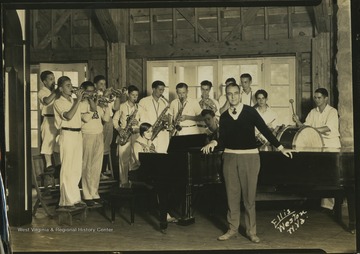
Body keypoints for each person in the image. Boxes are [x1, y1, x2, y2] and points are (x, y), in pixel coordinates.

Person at [201, 83, 293, 243]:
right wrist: (214, 143)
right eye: (229, 94)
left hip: (250, 158)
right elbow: (223, 139)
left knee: (249, 198)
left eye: (236, 93)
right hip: (229, 158)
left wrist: (280, 147)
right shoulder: (223, 116)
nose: (233, 96)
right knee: (232, 196)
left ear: (240, 94)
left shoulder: (251, 112)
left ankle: (252, 231)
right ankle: (232, 229)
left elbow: (265, 130)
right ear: (226, 96)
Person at [292, 87, 341, 211]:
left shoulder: (332, 111)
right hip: (318, 145)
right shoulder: (313, 112)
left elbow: (328, 128)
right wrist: (298, 121)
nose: (317, 100)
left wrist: (311, 130)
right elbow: (305, 127)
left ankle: (330, 206)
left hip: (331, 146)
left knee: (330, 177)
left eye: (319, 98)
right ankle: (317, 203)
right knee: (318, 174)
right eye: (315, 98)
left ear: (326, 98)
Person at [53, 76, 87, 210]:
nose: (71, 87)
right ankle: (66, 201)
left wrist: (85, 100)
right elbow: (68, 116)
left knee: (77, 167)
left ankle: (75, 199)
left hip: (78, 134)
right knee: (67, 168)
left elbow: (83, 116)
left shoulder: (74, 100)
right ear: (60, 89)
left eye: (71, 84)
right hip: (67, 134)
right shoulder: (58, 102)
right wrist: (78, 100)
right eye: (67, 85)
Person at [79, 81, 110, 207]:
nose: (92, 93)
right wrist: (94, 104)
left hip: (99, 135)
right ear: (84, 91)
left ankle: (94, 193)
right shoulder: (81, 104)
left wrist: (106, 105)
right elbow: (86, 119)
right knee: (87, 165)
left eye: (93, 91)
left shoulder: (98, 104)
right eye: (89, 91)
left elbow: (106, 119)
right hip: (87, 135)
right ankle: (86, 194)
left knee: (97, 166)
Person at [93, 75, 121, 180]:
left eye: (104, 84)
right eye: (101, 84)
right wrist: (105, 95)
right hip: (98, 121)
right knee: (98, 147)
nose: (103, 86)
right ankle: (97, 171)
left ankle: (102, 171)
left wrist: (117, 96)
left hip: (108, 121)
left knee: (106, 147)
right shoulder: (94, 95)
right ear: (95, 85)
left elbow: (116, 107)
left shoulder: (109, 95)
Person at [113, 85, 140, 186]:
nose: (135, 97)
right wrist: (120, 130)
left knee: (135, 160)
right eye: (133, 95)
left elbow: (144, 122)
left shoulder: (139, 107)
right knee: (123, 161)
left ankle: (133, 183)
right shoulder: (122, 106)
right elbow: (115, 120)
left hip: (135, 135)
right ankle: (123, 184)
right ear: (128, 95)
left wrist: (138, 122)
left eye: (136, 95)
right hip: (124, 134)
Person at [37, 71, 59, 186]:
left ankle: (58, 165)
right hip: (48, 120)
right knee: (47, 143)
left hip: (57, 120)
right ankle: (49, 165)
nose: (53, 81)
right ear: (44, 81)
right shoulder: (42, 92)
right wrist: (56, 92)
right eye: (50, 79)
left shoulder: (54, 91)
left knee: (57, 144)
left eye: (54, 78)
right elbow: (46, 101)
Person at [138, 80, 170, 153]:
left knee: (163, 156)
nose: (161, 92)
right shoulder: (144, 101)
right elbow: (140, 118)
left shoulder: (164, 102)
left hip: (162, 133)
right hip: (149, 134)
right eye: (160, 90)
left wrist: (166, 119)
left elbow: (168, 117)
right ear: (153, 89)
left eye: (163, 90)